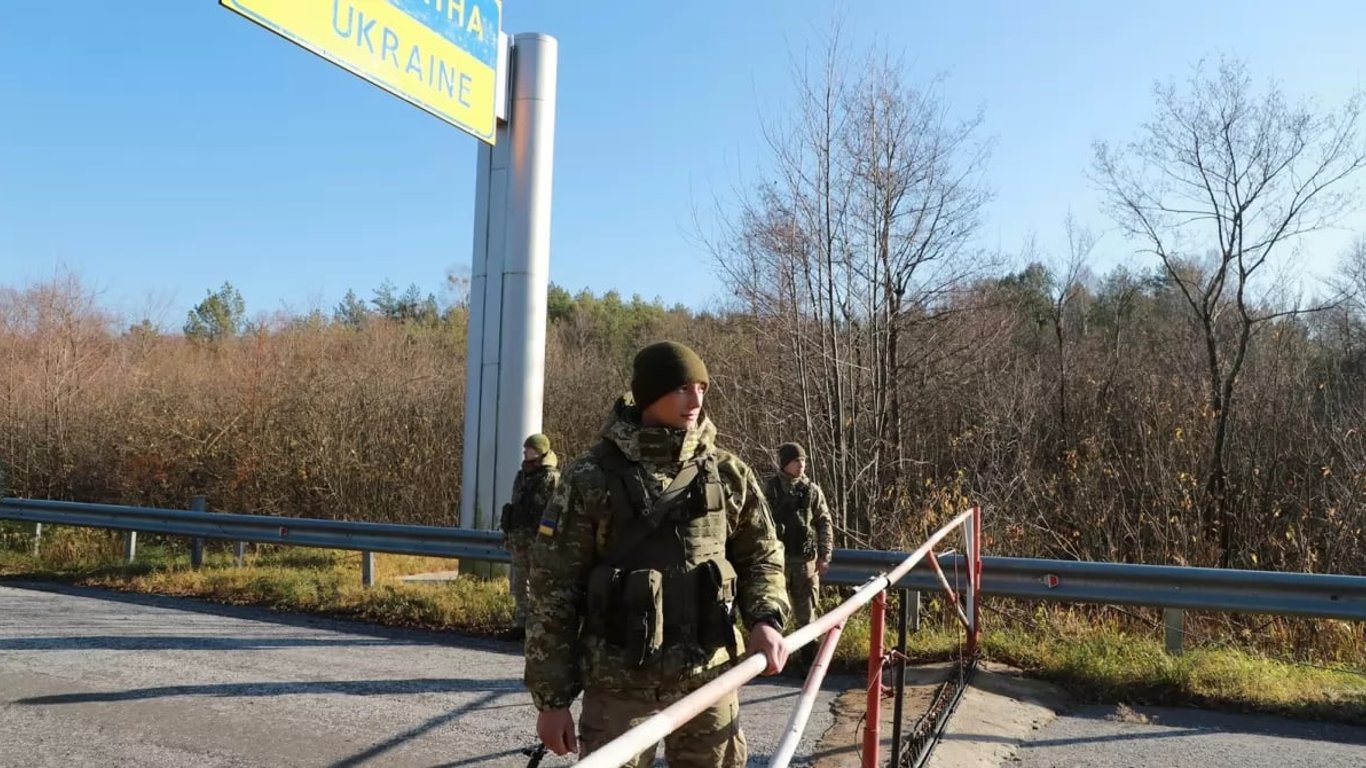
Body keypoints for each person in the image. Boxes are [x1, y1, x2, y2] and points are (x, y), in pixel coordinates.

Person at [525, 340, 791, 768]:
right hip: (619, 687)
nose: (696, 400)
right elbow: (554, 590)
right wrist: (551, 701)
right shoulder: (591, 477)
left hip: (709, 678)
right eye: (683, 388)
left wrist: (765, 618)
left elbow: (762, 554)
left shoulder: (726, 472)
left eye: (702, 388)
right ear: (650, 394)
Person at [762, 442, 833, 651]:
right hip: (778, 563)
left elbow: (824, 523)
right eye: (796, 461)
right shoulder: (770, 490)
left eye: (803, 461)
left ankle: (809, 664)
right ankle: (772, 660)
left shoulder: (812, 491)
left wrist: (824, 556)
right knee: (774, 614)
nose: (801, 465)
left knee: (807, 618)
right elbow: (758, 523)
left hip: (805, 563)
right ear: (785, 463)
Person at [500, 433, 561, 640]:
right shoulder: (522, 475)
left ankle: (537, 628)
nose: (526, 452)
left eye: (530, 449)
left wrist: (547, 540)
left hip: (538, 540)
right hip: (519, 538)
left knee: (538, 585)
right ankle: (521, 624)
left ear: (540, 451)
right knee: (518, 584)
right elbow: (516, 504)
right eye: (526, 449)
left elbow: (553, 512)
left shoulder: (551, 478)